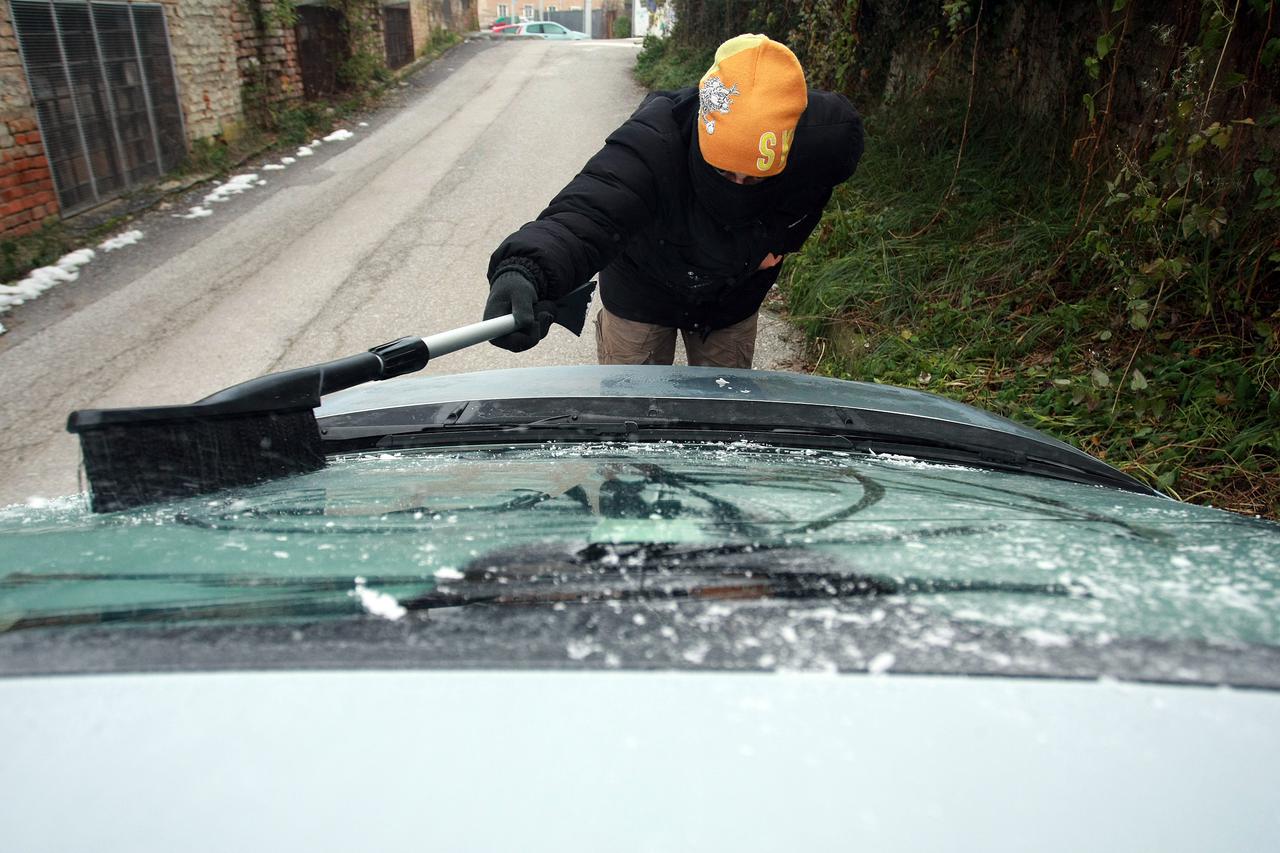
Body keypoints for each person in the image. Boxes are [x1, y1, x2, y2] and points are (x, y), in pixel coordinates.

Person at [482, 33, 864, 368]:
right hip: (641, 288)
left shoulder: (822, 141)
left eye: (755, 178)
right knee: (630, 413)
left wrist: (781, 242)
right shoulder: (655, 140)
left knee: (722, 422)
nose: (738, 185)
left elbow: (811, 193)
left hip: (732, 298)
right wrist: (526, 270)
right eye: (724, 172)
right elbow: (586, 212)